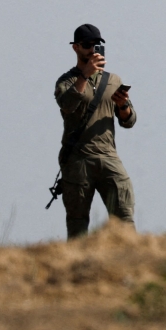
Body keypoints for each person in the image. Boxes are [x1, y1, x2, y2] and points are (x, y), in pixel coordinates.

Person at [53, 23, 137, 239]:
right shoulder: (67, 81)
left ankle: (129, 263)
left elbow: (129, 121)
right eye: (88, 45)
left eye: (97, 45)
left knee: (124, 218)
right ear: (76, 48)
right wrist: (85, 75)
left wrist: (122, 106)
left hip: (108, 156)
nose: (93, 49)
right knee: (78, 225)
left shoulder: (113, 81)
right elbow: (68, 105)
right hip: (78, 161)